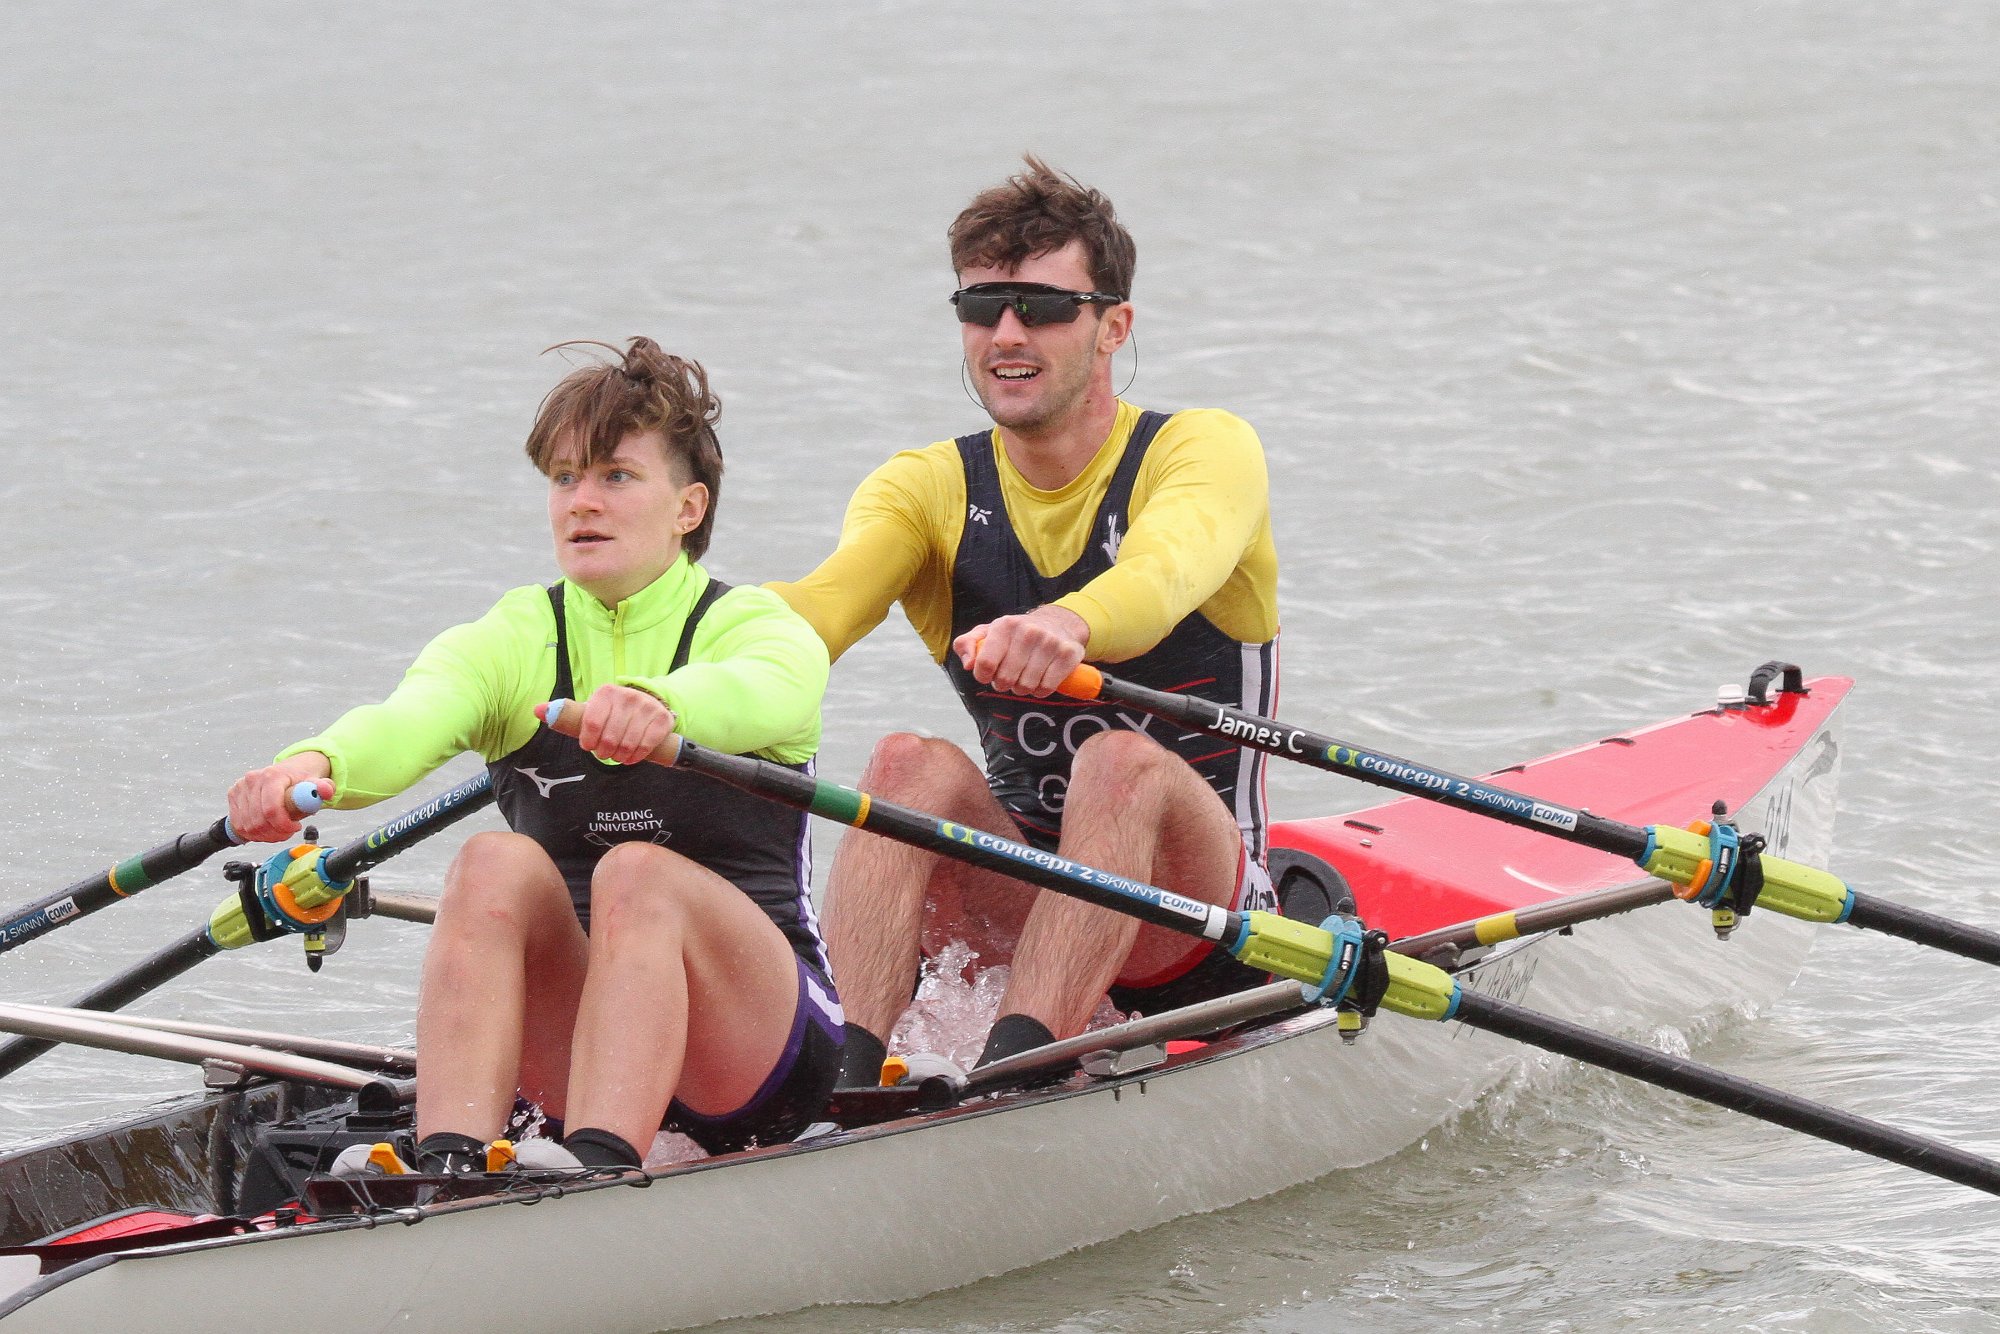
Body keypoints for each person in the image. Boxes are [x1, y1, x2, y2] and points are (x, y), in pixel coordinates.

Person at [228, 338, 841, 1173]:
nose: (581, 502)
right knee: (491, 862)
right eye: (564, 479)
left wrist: (667, 708)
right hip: (580, 1042)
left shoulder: (751, 626)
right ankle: (448, 1167)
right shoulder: (518, 637)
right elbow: (410, 717)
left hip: (756, 1053)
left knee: (637, 871)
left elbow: (775, 688)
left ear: (688, 508)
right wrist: (310, 767)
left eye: (615, 477)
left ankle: (597, 1166)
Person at [771, 157, 1279, 1083]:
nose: (1007, 333)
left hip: (1197, 925)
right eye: (981, 307)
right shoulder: (924, 487)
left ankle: (1022, 1068)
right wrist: (670, 669)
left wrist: (1071, 625)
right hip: (1023, 901)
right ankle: (843, 1078)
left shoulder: (1203, 448)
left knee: (1117, 761)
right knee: (902, 764)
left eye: (1042, 306)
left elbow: (1164, 575)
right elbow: (814, 613)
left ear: (1113, 325)